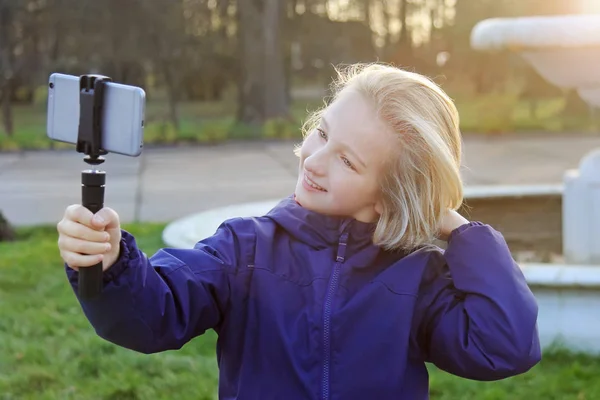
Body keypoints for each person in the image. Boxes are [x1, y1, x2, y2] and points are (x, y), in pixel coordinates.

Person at [57, 63, 541, 399]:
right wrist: (111, 264)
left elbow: (504, 345)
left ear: (390, 194)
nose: (316, 159)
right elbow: (151, 314)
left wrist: (458, 229)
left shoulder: (418, 279)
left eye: (348, 160)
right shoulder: (243, 249)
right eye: (323, 133)